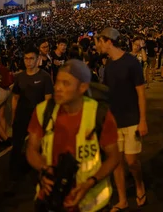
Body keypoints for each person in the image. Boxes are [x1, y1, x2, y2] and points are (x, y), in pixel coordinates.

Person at [26, 60, 121, 212]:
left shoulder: (99, 114)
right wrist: (43, 169)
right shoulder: (43, 111)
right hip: (51, 200)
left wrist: (89, 183)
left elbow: (114, 156)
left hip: (91, 204)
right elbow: (31, 149)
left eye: (66, 84)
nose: (57, 88)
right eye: (57, 82)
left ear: (82, 87)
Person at [97, 28, 148, 210]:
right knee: (116, 162)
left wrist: (143, 119)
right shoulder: (109, 66)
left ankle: (139, 184)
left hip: (132, 118)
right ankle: (122, 199)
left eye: (99, 41)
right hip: (114, 120)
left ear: (108, 41)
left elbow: (141, 93)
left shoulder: (131, 63)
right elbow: (108, 94)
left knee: (132, 161)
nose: (97, 46)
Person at [7, 47, 53, 194]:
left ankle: (41, 180)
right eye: (26, 59)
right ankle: (13, 179)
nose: (28, 62)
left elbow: (48, 100)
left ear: (37, 59)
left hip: (38, 119)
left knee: (39, 149)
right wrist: (13, 117)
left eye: (31, 58)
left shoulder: (45, 77)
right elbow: (15, 98)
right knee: (17, 148)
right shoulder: (20, 77)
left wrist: (46, 120)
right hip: (21, 117)